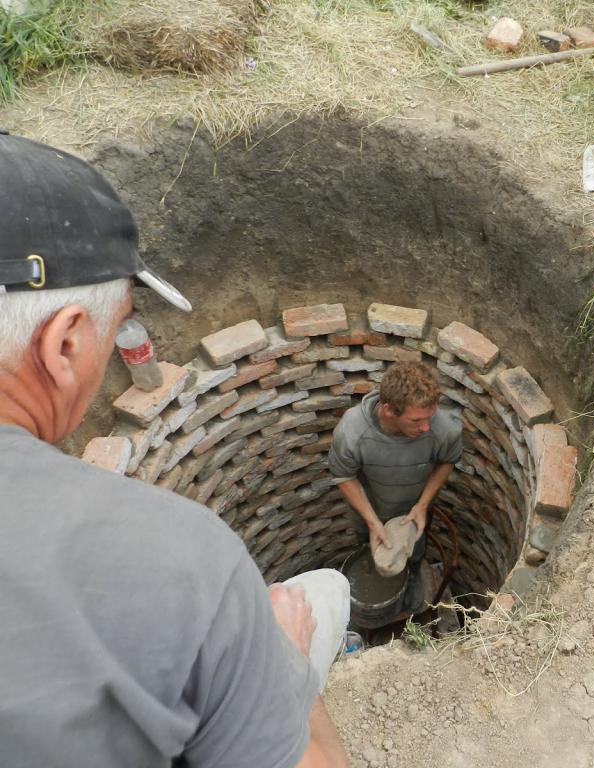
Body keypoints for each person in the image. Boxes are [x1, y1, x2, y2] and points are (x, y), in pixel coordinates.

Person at [0, 131, 349, 768]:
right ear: (65, 344)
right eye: (122, 321)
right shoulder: (177, 566)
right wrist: (284, 664)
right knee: (324, 593)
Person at [328, 361, 463, 610]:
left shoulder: (442, 427)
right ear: (388, 410)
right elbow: (343, 476)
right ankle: (378, 581)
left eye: (429, 417)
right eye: (416, 421)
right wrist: (371, 521)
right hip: (371, 509)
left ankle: (410, 580)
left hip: (413, 513)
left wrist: (422, 505)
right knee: (372, 550)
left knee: (414, 552)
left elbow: (447, 461)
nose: (425, 428)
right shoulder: (353, 431)